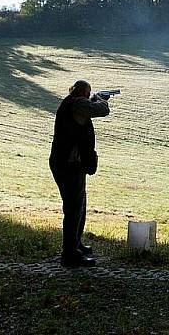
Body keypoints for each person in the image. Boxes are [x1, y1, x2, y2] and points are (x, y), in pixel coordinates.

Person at [50, 79, 110, 268]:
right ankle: (69, 255)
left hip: (70, 164)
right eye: (88, 92)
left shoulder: (72, 102)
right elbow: (102, 110)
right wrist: (101, 99)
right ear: (84, 92)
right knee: (73, 210)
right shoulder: (77, 103)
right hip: (68, 165)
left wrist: (94, 99)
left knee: (79, 206)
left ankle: (75, 245)